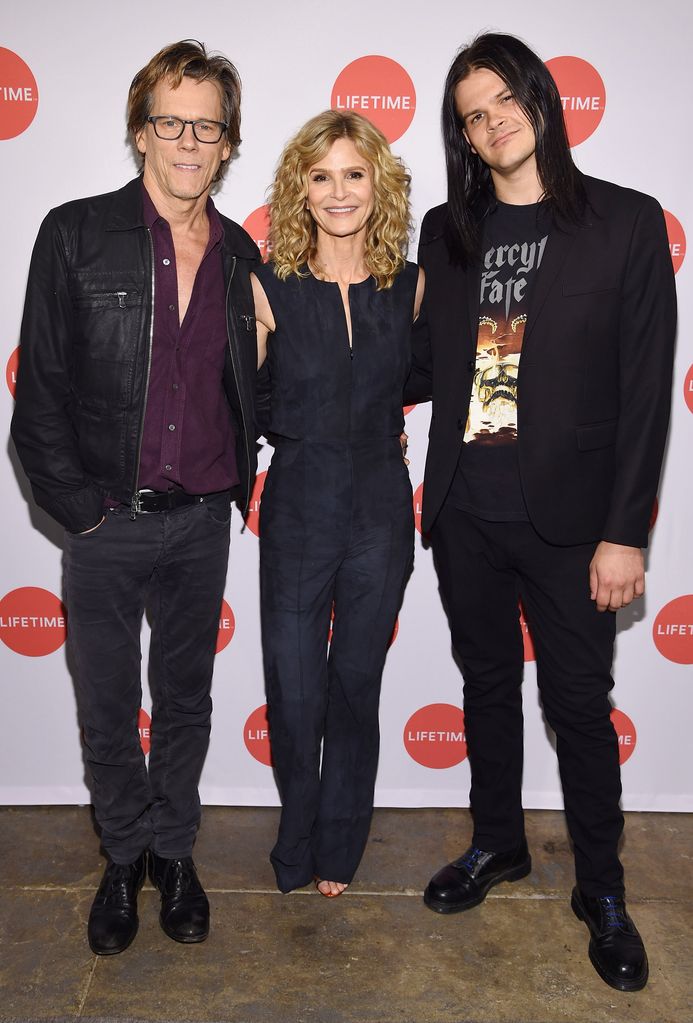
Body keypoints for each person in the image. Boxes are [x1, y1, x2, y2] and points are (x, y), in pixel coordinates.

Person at [406, 33, 676, 991]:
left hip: (573, 524)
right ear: (465, 136)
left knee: (577, 707)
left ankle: (600, 888)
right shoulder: (446, 230)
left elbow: (646, 393)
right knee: (484, 686)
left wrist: (625, 532)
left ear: (540, 98)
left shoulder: (627, 221)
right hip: (466, 513)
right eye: (472, 114)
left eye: (503, 98)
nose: (492, 120)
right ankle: (496, 844)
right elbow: (419, 365)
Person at [11, 40, 259, 955]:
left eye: (207, 124)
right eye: (171, 120)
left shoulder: (241, 254)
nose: (189, 140)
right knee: (108, 705)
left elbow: (254, 384)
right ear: (140, 130)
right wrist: (81, 511)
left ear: (228, 142)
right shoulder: (75, 232)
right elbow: (37, 397)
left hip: (201, 523)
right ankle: (122, 858)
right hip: (106, 519)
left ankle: (174, 852)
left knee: (186, 701)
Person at [252, 110, 423, 897]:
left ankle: (339, 847)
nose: (339, 191)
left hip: (382, 506)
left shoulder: (412, 283)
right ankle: (295, 839)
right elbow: (241, 396)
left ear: (377, 183)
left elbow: (427, 382)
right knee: (293, 685)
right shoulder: (267, 284)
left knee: (355, 680)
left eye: (354, 174)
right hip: (297, 500)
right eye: (321, 176)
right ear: (300, 189)